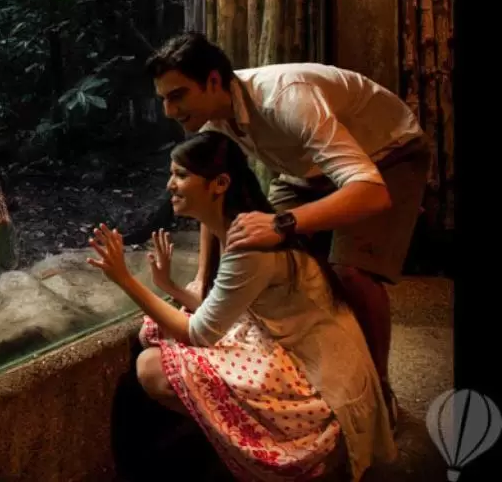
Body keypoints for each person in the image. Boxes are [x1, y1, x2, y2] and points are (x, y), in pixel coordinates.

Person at [142, 31, 430, 427]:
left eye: (177, 96)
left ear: (212, 81)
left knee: (351, 271)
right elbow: (219, 210)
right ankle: (300, 367)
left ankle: (378, 393)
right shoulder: (215, 117)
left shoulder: (286, 99)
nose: (169, 110)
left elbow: (370, 192)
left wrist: (282, 223)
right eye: (163, 99)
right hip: (306, 170)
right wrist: (199, 281)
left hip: (385, 157)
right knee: (254, 246)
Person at [87, 130, 398, 481]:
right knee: (153, 330)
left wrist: (125, 279)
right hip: (284, 343)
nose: (170, 185)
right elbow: (217, 307)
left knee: (151, 367)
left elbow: (200, 332)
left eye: (181, 175)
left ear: (219, 184)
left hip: (317, 379)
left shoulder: (247, 244)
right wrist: (168, 285)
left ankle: (254, 448)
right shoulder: (238, 227)